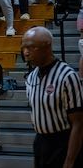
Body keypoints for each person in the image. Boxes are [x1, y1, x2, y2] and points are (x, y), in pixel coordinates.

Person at [22, 27, 83, 167]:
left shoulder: (67, 76)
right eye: (24, 47)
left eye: (31, 47)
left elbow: (79, 123)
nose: (26, 52)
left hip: (63, 142)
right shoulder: (31, 77)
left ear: (47, 46)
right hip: (41, 142)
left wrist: (70, 160)